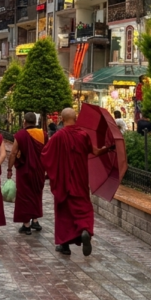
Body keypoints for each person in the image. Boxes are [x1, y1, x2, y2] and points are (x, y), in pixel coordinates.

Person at [42, 107, 115, 256]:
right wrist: (107, 149)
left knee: (64, 213)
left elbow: (45, 155)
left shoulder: (58, 136)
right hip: (81, 181)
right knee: (83, 208)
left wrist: (50, 173)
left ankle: (65, 245)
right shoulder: (83, 135)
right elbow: (95, 151)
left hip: (64, 182)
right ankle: (85, 230)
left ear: (62, 119)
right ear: (75, 119)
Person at [8, 112, 46, 235]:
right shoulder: (43, 134)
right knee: (36, 194)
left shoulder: (21, 135)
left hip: (24, 169)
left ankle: (26, 224)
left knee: (24, 196)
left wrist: (9, 169)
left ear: (24, 122)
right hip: (39, 170)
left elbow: (13, 153)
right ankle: (35, 220)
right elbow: (47, 152)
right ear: (36, 122)